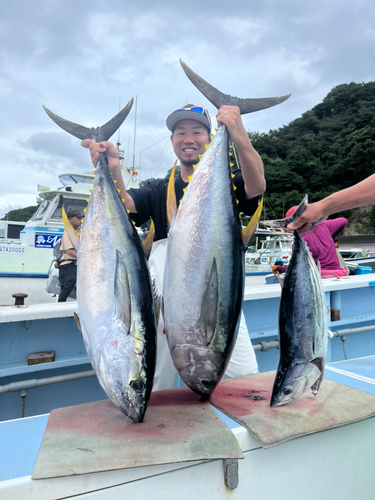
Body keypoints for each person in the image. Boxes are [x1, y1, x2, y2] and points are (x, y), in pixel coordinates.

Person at [81, 104, 265, 390]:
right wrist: (113, 167)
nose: (188, 138)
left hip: (216, 304)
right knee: (155, 383)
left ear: (209, 137)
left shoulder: (227, 182)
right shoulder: (158, 188)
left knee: (245, 377)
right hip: (167, 303)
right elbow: (127, 205)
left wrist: (239, 135)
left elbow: (256, 186)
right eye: (181, 132)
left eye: (197, 131)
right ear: (172, 141)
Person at [287, 174, 375, 233]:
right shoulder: (325, 225)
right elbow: (343, 221)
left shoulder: (315, 227)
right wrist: (323, 208)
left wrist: (323, 208)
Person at [278, 206, 348, 278]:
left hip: (320, 276)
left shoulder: (301, 240)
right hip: (339, 273)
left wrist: (279, 269)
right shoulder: (324, 225)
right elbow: (343, 220)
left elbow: (298, 267)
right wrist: (330, 236)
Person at [58, 209, 83, 302]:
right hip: (68, 264)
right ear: (71, 219)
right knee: (68, 284)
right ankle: (59, 307)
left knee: (71, 285)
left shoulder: (77, 232)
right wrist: (84, 259)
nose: (81, 220)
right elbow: (69, 251)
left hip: (74, 264)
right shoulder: (68, 233)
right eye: (79, 218)